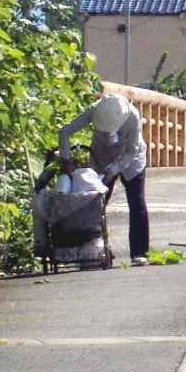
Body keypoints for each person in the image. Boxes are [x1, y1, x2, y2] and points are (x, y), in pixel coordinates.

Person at [60, 93, 150, 264]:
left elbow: (132, 150)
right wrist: (66, 159)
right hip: (102, 156)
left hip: (130, 158)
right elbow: (65, 131)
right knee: (94, 204)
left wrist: (114, 169)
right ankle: (96, 250)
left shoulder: (132, 116)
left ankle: (139, 252)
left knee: (136, 200)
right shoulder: (94, 110)